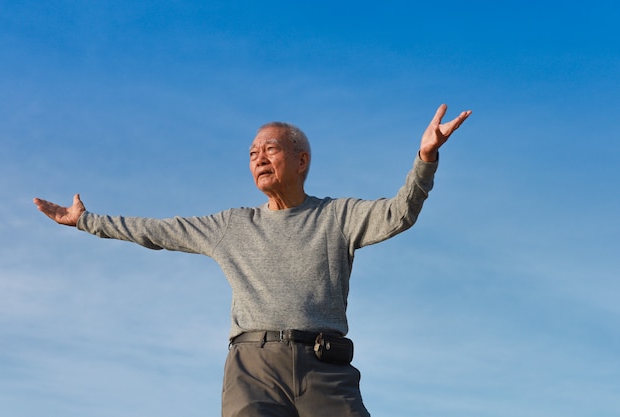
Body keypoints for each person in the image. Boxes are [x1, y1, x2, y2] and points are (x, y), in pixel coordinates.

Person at [34, 104, 471, 417]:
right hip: (253, 369)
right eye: (252, 153)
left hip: (325, 367)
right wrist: (87, 221)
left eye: (271, 149)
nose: (259, 157)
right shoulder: (232, 225)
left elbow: (399, 213)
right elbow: (157, 231)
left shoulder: (337, 216)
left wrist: (425, 159)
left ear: (301, 161)